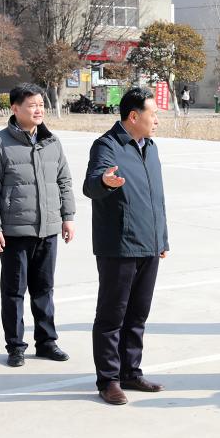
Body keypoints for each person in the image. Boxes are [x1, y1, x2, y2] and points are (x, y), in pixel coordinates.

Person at [0, 83, 75, 367]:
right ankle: (15, 346)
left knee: (44, 289)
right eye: (32, 105)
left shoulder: (52, 142)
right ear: (15, 108)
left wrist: (67, 217)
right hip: (15, 231)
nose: (38, 110)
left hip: (48, 229)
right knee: (14, 292)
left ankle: (46, 342)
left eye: (41, 105)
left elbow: (64, 182)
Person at [83, 87, 169, 405]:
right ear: (134, 116)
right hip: (119, 246)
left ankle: (131, 372)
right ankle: (108, 379)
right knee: (112, 316)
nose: (157, 120)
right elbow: (91, 185)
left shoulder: (151, 148)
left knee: (137, 315)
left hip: (149, 244)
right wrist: (104, 181)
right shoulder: (107, 145)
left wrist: (162, 238)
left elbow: (157, 199)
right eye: (153, 114)